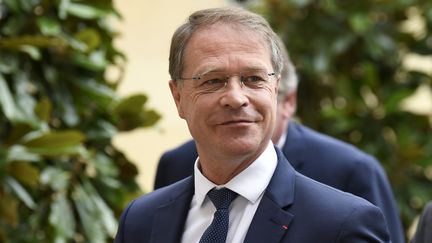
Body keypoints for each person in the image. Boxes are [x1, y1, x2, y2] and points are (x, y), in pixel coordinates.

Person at [115, 7, 390, 242]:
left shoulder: (341, 224)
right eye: (213, 81)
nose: (236, 98)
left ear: (276, 89)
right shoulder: (141, 220)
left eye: (254, 79)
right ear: (178, 97)